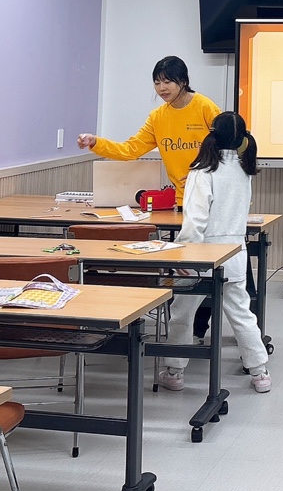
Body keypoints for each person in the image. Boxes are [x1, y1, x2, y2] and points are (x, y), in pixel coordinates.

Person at [159, 112, 271, 394]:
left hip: (202, 253)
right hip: (234, 252)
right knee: (241, 312)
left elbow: (195, 220)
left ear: (211, 135)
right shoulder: (244, 169)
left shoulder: (202, 171)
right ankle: (260, 372)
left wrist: (184, 254)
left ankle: (174, 371)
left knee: (182, 313)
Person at [77, 56, 218, 207]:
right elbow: (130, 150)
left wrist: (201, 175)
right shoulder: (157, 117)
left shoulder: (205, 107)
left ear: (183, 81)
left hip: (212, 195)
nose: (161, 88)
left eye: (167, 82)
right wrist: (95, 142)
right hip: (183, 199)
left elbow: (227, 149)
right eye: (157, 83)